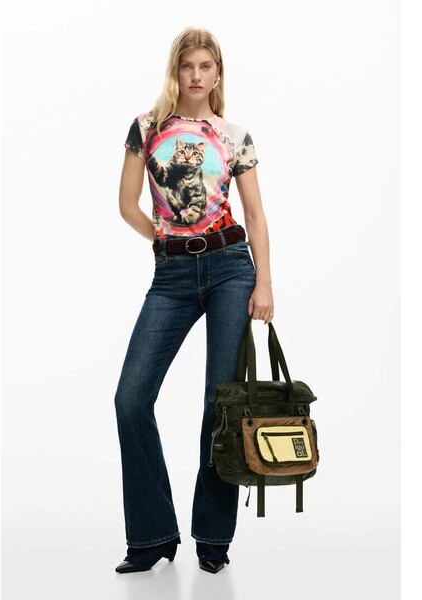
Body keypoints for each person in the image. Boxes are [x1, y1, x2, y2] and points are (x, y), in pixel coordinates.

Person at [114, 26, 274, 574]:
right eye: (188, 66)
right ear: (175, 71)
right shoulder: (146, 128)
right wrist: (160, 237)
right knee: (131, 399)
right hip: (172, 274)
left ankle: (213, 539)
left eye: (207, 66)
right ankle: (152, 536)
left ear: (218, 72)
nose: (197, 76)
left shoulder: (234, 136)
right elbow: (127, 204)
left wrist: (264, 283)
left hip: (231, 267)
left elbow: (255, 215)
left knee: (219, 404)